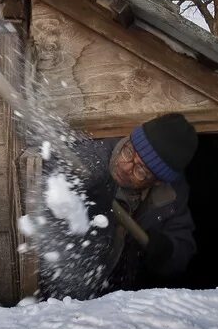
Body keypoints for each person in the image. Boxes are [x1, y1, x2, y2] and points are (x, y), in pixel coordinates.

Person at [80, 113, 199, 292]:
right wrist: (82, 203)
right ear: (128, 138)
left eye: (141, 171)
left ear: (157, 181)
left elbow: (182, 248)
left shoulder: (170, 196)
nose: (126, 166)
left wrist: (167, 251)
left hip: (122, 296)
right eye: (128, 151)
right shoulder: (92, 157)